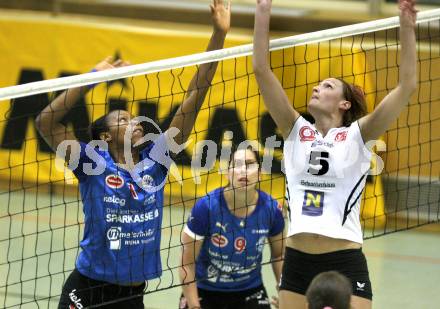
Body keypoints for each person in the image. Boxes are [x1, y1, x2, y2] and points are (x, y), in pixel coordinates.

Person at [35, 1, 231, 308]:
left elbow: (196, 92)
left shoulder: (157, 159)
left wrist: (219, 34)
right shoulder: (92, 163)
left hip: (131, 295)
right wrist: (90, 78)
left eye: (134, 117)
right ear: (105, 136)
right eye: (123, 120)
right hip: (87, 289)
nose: (135, 122)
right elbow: (45, 122)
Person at [252, 0, 417, 308]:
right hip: (298, 261)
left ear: (344, 104)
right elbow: (261, 70)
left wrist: (407, 28)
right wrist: (263, 9)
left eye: (327, 86)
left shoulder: (357, 136)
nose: (317, 88)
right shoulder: (294, 129)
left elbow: (407, 85)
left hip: (345, 259)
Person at [179, 145, 285, 309]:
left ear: (260, 172)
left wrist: (284, 293)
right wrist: (194, 306)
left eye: (249, 164)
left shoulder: (272, 209)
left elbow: (279, 256)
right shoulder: (206, 207)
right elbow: (187, 263)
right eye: (236, 164)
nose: (243, 170)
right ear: (227, 172)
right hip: (204, 289)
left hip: (249, 290)